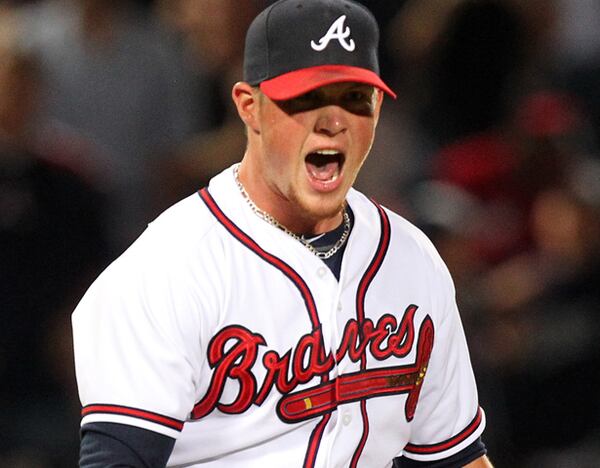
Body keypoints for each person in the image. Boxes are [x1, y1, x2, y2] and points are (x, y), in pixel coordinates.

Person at [72, 1, 493, 466]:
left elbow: (455, 457)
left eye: (355, 98)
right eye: (307, 98)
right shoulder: (166, 271)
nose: (333, 122)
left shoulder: (412, 259)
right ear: (250, 108)